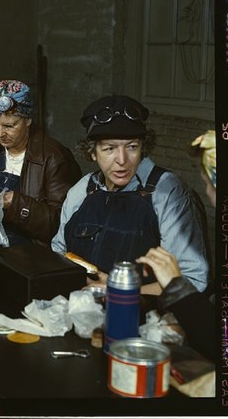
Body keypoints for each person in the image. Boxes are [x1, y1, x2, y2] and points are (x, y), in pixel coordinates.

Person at [51, 95, 209, 295]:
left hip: (144, 317)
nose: (122, 160)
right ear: (92, 152)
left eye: (132, 147)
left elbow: (194, 280)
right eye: (109, 149)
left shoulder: (168, 192)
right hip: (80, 309)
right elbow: (58, 252)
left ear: (143, 148)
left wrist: (119, 291)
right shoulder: (82, 190)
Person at [0, 79, 81, 246]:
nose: (0, 134)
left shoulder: (53, 157)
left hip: (32, 254)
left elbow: (59, 223)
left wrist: (15, 203)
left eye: (9, 126)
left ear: (28, 120)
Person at [135, 130, 217, 360]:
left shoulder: (170, 190)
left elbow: (224, 344)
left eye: (208, 183)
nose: (208, 193)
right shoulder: (84, 189)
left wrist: (176, 286)